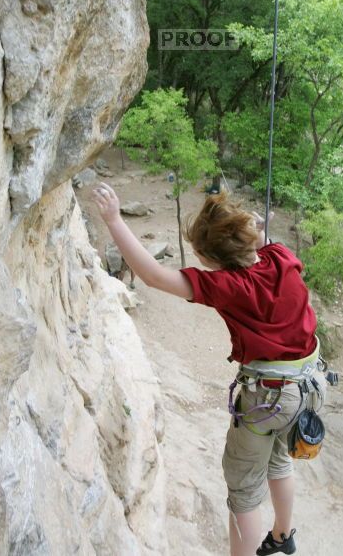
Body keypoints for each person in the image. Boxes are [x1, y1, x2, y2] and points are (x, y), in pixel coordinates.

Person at [92, 182, 326, 556]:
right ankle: (282, 534)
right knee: (280, 459)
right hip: (310, 385)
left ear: (213, 260)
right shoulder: (280, 256)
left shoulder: (229, 285)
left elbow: (152, 275)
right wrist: (251, 228)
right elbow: (260, 239)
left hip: (270, 396)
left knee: (245, 493)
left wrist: (114, 219)